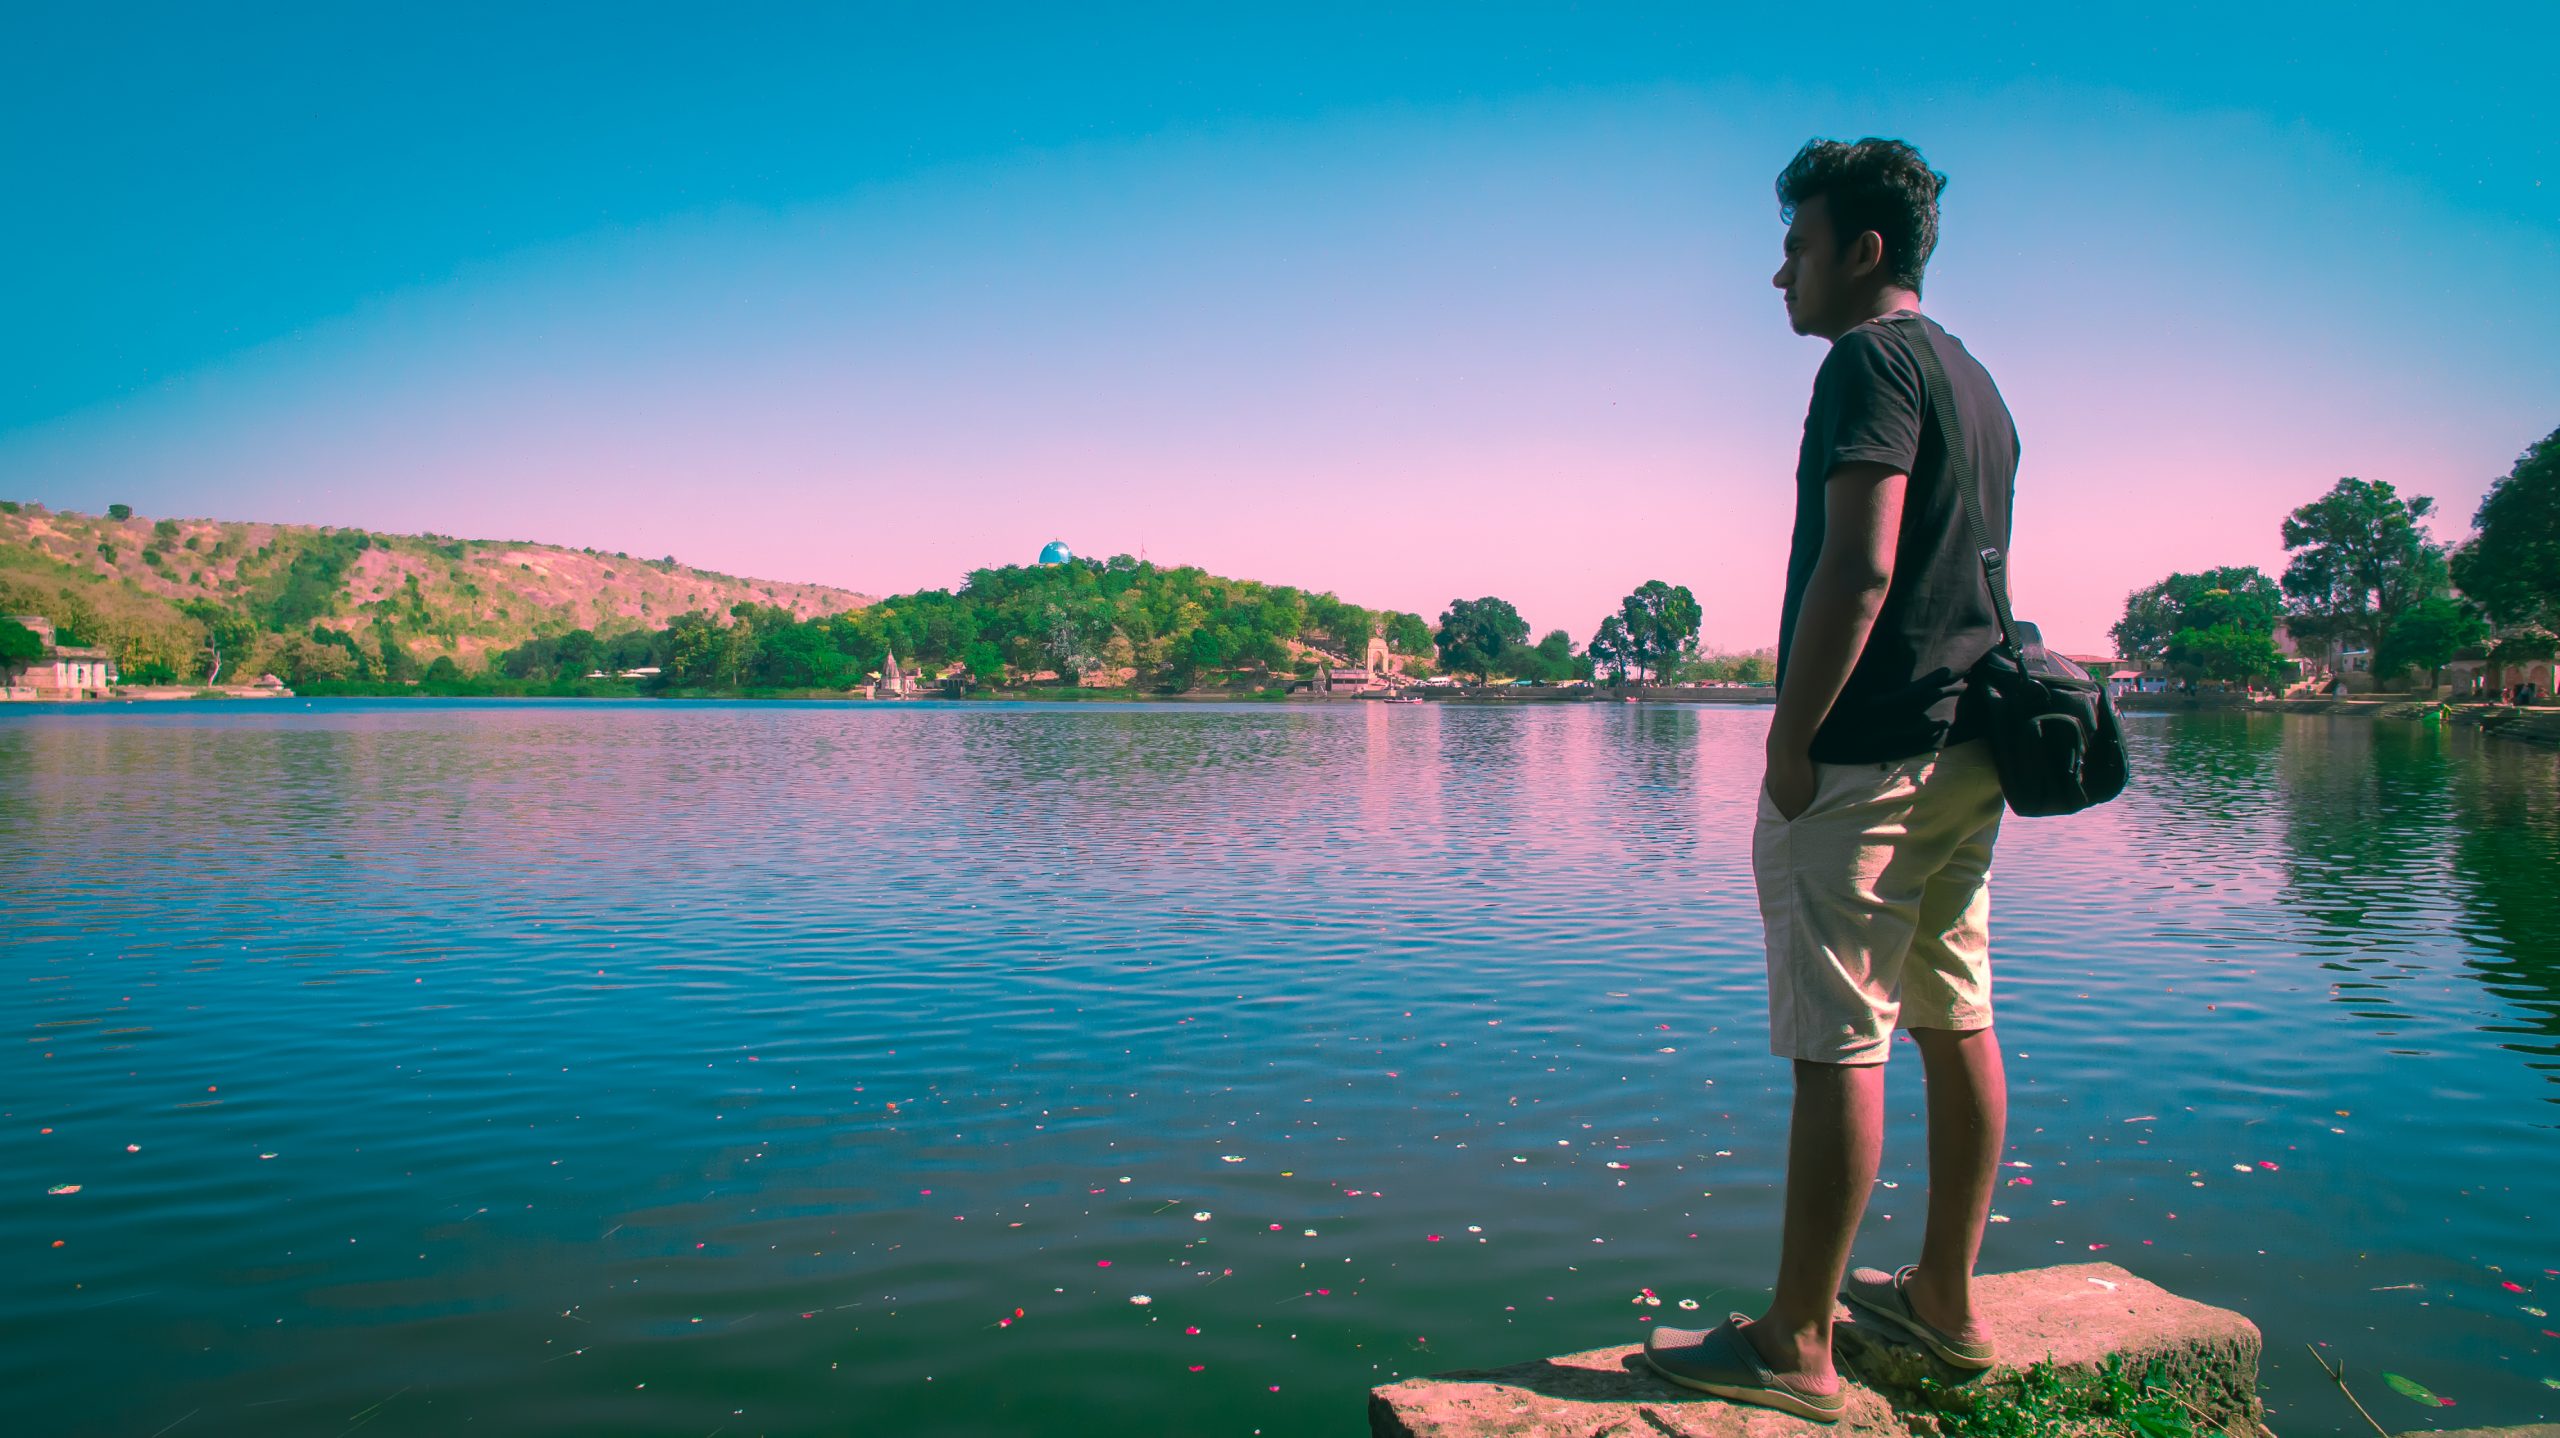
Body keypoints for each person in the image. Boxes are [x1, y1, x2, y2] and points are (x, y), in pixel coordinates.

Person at [1641, 137, 2021, 1423]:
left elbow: (1856, 569)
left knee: (1837, 1040)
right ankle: (1945, 1300)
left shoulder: (1869, 361)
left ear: (1862, 251)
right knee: (1951, 1012)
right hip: (1968, 744)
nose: (1776, 274)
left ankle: (1795, 1344)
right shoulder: (1975, 379)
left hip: (1867, 753)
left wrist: (1789, 735)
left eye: (1795, 245)